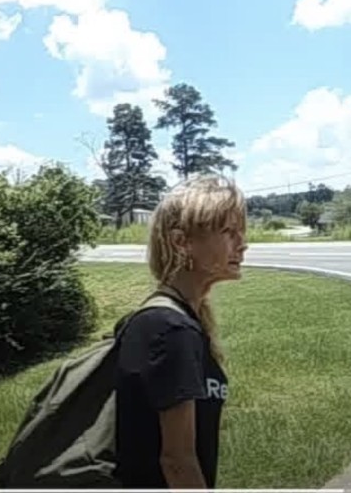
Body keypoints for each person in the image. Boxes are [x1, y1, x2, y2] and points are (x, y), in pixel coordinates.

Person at [113, 174, 248, 489]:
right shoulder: (169, 329)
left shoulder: (178, 320)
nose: (243, 244)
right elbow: (177, 462)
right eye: (229, 232)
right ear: (181, 241)